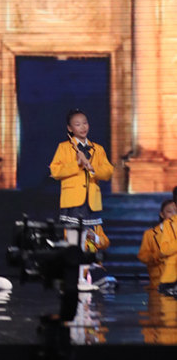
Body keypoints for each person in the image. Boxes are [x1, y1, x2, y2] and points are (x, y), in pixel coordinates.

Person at [49, 108, 113, 287]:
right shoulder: (64, 147)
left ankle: (86, 275)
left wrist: (92, 168)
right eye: (77, 124)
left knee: (90, 239)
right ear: (70, 128)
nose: (82, 127)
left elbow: (108, 171)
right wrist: (76, 164)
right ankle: (75, 278)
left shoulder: (97, 149)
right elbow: (55, 171)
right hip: (73, 202)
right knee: (73, 242)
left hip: (90, 202)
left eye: (85, 123)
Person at [138, 198, 177, 293]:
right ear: (162, 214)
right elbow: (142, 256)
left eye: (176, 212)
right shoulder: (150, 234)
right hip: (158, 282)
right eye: (169, 212)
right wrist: (157, 256)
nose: (173, 214)